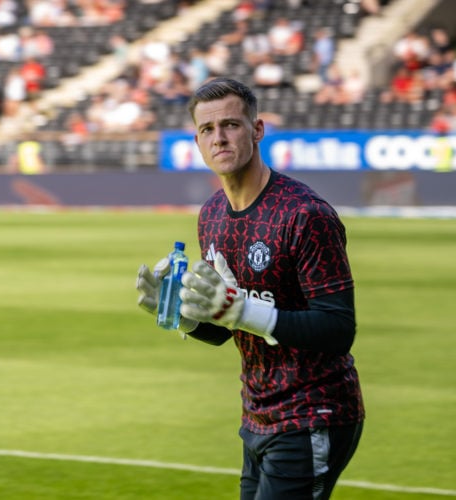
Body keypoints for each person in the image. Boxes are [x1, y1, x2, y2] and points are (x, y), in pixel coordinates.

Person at [135, 78, 364, 500]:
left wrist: (242, 312)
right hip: (257, 417)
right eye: (207, 130)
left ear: (257, 130)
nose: (219, 137)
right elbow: (227, 329)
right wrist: (182, 316)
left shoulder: (305, 214)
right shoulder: (212, 215)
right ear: (197, 141)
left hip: (313, 413)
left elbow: (338, 329)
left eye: (231, 125)